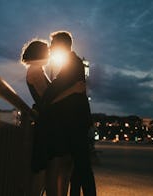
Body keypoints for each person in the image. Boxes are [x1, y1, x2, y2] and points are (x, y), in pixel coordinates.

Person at [21, 39, 86, 196]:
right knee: (54, 168)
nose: (49, 55)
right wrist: (73, 90)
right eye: (47, 52)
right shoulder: (34, 71)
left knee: (57, 167)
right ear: (39, 53)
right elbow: (49, 100)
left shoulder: (37, 70)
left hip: (51, 123)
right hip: (50, 125)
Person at [41, 31, 97, 196]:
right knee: (79, 168)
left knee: (82, 167)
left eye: (52, 45)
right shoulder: (72, 63)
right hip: (76, 123)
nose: (50, 48)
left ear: (61, 45)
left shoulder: (73, 63)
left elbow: (54, 92)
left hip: (76, 124)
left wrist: (50, 96)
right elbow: (62, 88)